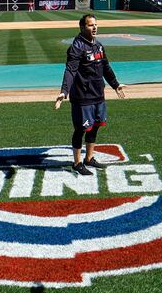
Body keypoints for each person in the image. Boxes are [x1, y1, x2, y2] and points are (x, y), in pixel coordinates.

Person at [54, 13, 126, 174]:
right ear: (82, 27)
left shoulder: (98, 45)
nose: (94, 27)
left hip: (98, 94)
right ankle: (77, 162)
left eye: (95, 24)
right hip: (82, 96)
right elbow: (70, 70)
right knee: (81, 129)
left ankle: (89, 158)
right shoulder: (76, 47)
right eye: (90, 25)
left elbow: (105, 66)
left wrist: (115, 84)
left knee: (95, 127)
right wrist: (64, 91)